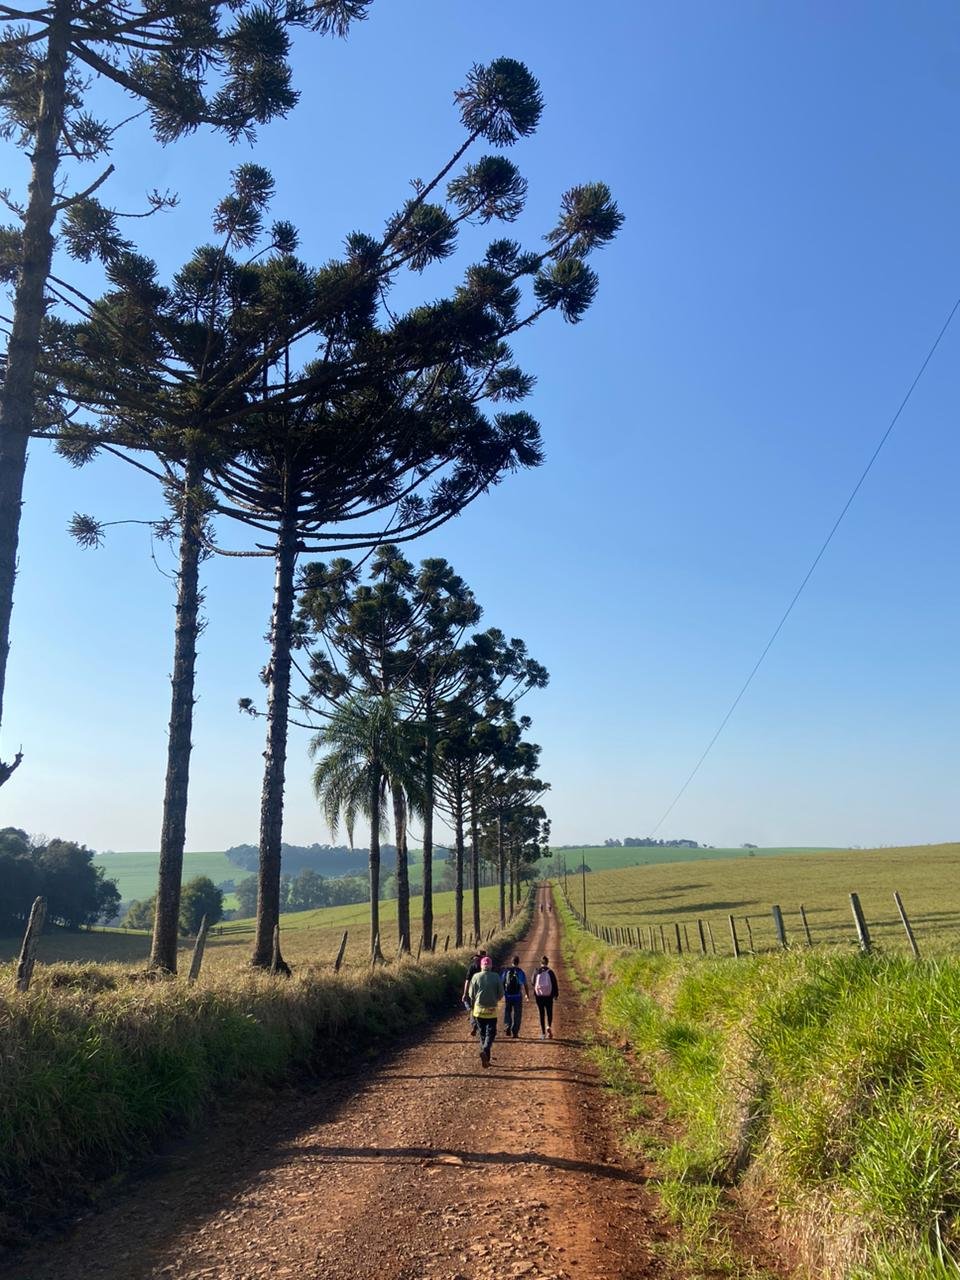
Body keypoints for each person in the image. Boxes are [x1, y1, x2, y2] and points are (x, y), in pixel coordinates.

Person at [468, 955, 504, 1068]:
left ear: (481, 966)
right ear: (491, 966)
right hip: (491, 1010)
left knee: (482, 1033)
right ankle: (486, 1049)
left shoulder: (475, 977)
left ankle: (486, 1059)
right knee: (491, 1033)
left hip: (478, 1010)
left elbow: (471, 994)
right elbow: (501, 993)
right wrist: (495, 999)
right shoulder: (496, 976)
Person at [500, 953, 529, 1038]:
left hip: (508, 996)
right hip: (517, 996)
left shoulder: (506, 971)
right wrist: (527, 995)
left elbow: (502, 983)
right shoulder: (520, 972)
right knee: (517, 1014)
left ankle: (507, 1025)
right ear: (518, 962)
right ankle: (515, 1032)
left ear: (511, 962)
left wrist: (501, 994)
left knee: (507, 1011)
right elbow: (525, 984)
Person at [532, 954, 559, 1039]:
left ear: (541, 962)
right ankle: (549, 1026)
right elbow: (554, 984)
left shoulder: (537, 971)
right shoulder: (550, 972)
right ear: (547, 962)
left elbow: (533, 982)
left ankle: (543, 1034)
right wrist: (556, 994)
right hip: (548, 995)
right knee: (549, 1012)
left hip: (539, 996)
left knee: (541, 1013)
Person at [462, 948, 487, 1037]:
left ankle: (474, 1025)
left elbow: (467, 981)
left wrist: (465, 993)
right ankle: (481, 1026)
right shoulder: (486, 966)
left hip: (473, 991)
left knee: (473, 1009)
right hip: (484, 991)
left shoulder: (473, 966)